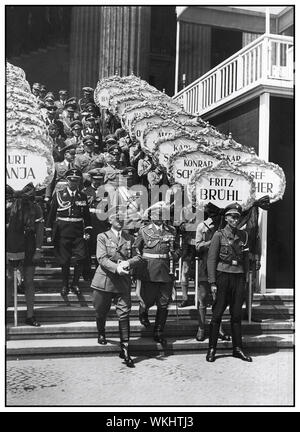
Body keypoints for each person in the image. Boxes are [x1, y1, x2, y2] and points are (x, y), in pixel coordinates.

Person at [91, 205, 142, 367]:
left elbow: (139, 257)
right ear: (110, 220)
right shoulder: (102, 237)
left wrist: (128, 262)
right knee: (100, 310)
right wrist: (116, 267)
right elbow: (102, 258)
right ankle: (101, 332)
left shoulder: (130, 238)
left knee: (124, 314)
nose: (119, 221)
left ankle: (125, 348)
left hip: (122, 282)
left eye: (122, 218)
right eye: (116, 218)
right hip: (104, 281)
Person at [206, 203, 252, 363]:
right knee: (217, 314)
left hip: (238, 277)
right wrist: (212, 282)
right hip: (222, 277)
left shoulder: (243, 236)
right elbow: (211, 260)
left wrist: (245, 278)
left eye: (237, 216)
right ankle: (212, 348)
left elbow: (246, 259)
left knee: (236, 315)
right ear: (226, 218)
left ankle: (237, 348)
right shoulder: (219, 235)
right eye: (232, 216)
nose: (235, 219)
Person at [134, 201, 181, 344]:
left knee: (164, 303)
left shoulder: (171, 230)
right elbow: (136, 249)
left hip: (166, 270)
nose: (159, 217)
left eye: (162, 214)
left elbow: (178, 248)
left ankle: (159, 331)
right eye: (156, 214)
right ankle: (143, 312)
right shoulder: (144, 230)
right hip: (149, 270)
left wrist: (176, 255)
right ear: (151, 216)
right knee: (147, 300)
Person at [45, 169, 92, 296]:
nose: (74, 182)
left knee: (81, 257)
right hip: (63, 231)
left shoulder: (82, 196)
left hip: (78, 231)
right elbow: (51, 215)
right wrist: (48, 232)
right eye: (71, 180)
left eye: (76, 180)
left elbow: (86, 216)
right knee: (64, 260)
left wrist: (88, 230)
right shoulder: (59, 194)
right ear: (67, 180)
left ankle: (75, 283)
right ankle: (65, 285)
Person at [6, 184, 44, 326]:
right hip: (9, 242)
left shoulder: (35, 207)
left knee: (28, 281)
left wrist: (38, 249)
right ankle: (4, 312)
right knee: (9, 280)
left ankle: (30, 315)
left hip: (29, 245)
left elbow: (39, 230)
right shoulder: (7, 205)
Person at [195, 203, 231, 342]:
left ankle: (219, 328)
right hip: (205, 267)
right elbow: (197, 246)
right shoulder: (202, 226)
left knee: (219, 300)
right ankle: (201, 328)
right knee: (203, 298)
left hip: (221, 267)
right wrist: (211, 242)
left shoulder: (225, 227)